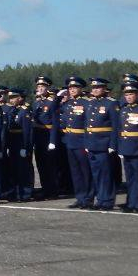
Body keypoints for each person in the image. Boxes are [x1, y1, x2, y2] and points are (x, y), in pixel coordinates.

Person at [54, 77, 92, 209]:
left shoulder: (87, 103)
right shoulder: (68, 104)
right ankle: (80, 197)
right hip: (70, 141)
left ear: (81, 89)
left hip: (82, 140)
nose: (72, 90)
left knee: (85, 171)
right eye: (70, 88)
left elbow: (89, 124)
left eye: (74, 88)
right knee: (75, 172)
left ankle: (88, 197)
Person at [83, 78, 119, 211]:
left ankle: (108, 200)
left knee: (106, 174)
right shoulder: (90, 103)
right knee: (96, 174)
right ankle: (100, 199)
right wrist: (86, 142)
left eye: (98, 87)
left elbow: (116, 126)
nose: (95, 90)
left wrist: (113, 144)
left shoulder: (111, 103)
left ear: (104, 88)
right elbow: (87, 125)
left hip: (104, 144)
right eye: (93, 88)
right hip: (92, 144)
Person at [116, 82, 138, 212]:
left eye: (131, 94)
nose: (129, 97)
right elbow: (120, 129)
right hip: (126, 147)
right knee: (130, 177)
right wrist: (120, 147)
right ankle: (131, 202)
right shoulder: (123, 110)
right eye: (126, 94)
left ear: (137, 95)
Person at [30, 76, 60, 199]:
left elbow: (55, 123)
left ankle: (53, 191)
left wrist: (52, 141)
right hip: (38, 136)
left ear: (47, 88)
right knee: (41, 165)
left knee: (50, 166)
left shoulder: (51, 102)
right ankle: (45, 189)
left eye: (42, 86)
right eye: (38, 86)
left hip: (48, 135)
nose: (40, 88)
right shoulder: (36, 103)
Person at [5, 89, 34, 202]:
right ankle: (15, 192)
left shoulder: (24, 111)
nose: (12, 100)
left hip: (21, 142)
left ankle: (25, 194)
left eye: (14, 98)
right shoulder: (11, 110)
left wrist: (26, 147)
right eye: (10, 98)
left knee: (22, 170)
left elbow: (27, 132)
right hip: (12, 142)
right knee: (13, 169)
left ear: (20, 98)